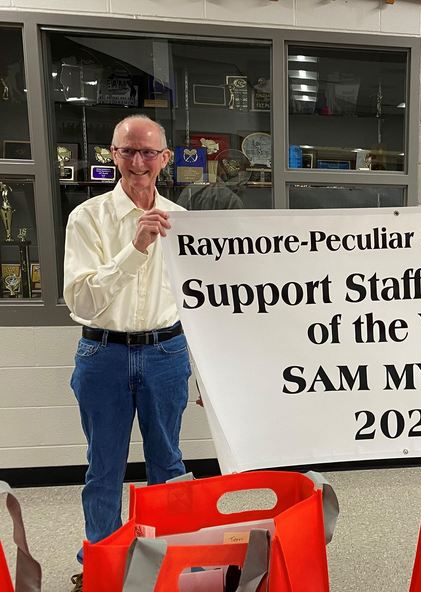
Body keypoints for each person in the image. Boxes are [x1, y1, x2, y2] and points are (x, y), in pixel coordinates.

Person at [63, 114, 191, 591]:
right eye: (127, 151)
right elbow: (81, 301)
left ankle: (169, 559)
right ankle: (100, 564)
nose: (138, 162)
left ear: (165, 158)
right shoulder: (88, 217)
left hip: (166, 351)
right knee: (104, 467)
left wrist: (209, 372)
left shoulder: (182, 221)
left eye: (148, 152)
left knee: (168, 465)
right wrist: (135, 248)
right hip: (105, 353)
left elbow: (197, 304)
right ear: (112, 154)